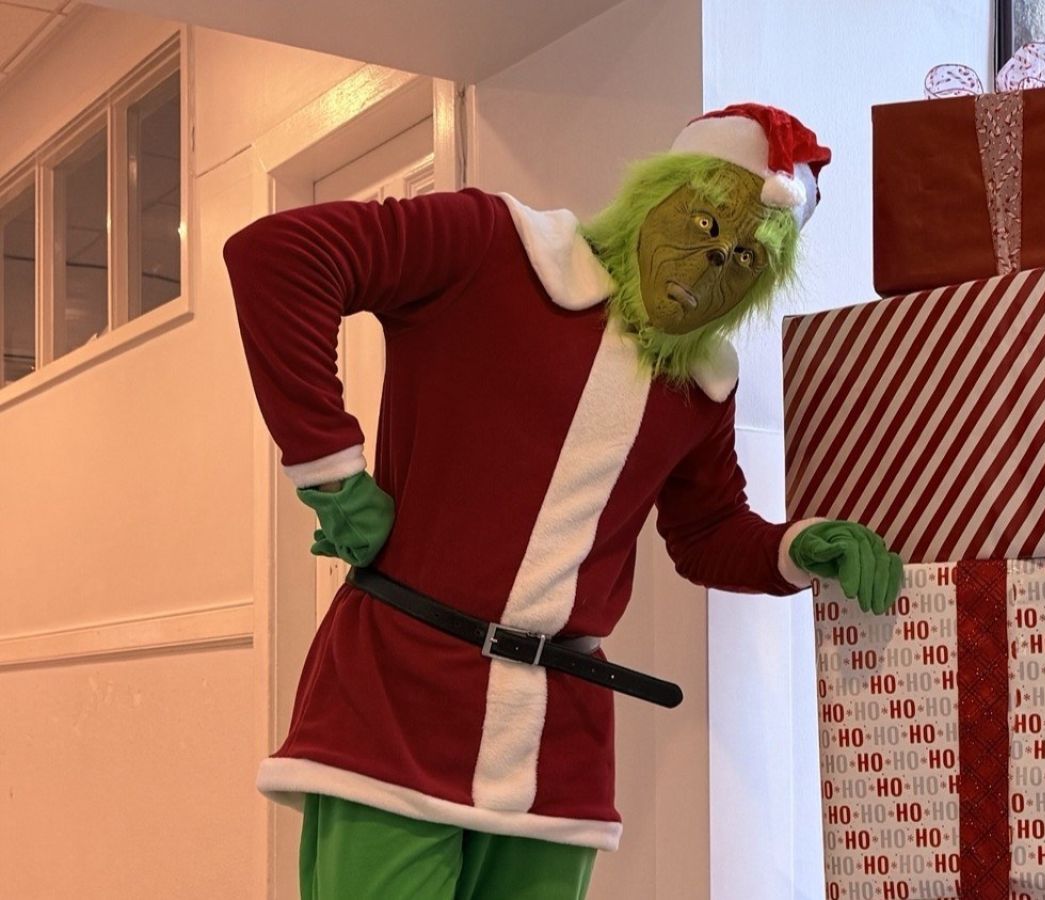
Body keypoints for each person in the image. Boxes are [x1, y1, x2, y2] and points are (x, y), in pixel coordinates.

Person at [222, 103, 902, 899]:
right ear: (656, 195)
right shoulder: (492, 245)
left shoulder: (701, 384)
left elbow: (707, 531)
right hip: (400, 692)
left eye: (745, 257)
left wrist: (795, 548)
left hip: (560, 737)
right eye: (706, 224)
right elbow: (281, 257)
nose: (713, 263)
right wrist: (331, 470)